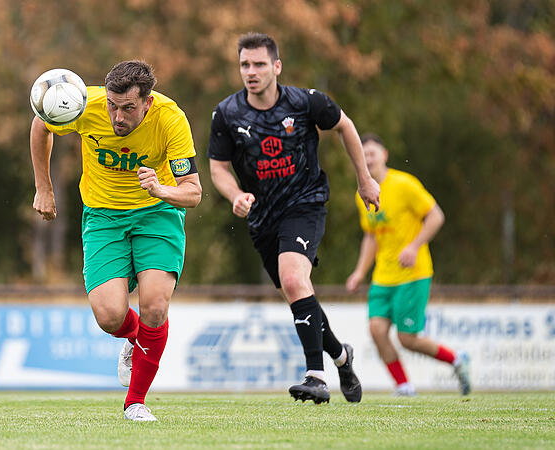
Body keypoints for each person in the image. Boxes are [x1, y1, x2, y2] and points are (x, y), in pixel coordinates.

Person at [207, 32, 380, 404]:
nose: (251, 72)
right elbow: (218, 167)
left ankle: (316, 375)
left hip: (305, 204)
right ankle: (342, 356)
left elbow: (345, 126)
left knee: (293, 278)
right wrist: (236, 194)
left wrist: (364, 178)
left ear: (277, 66)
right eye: (244, 65)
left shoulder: (305, 102)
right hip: (262, 217)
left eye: (259, 64)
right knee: (298, 291)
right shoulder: (227, 113)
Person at [30, 61, 202, 421]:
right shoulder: (84, 103)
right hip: (104, 218)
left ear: (147, 103)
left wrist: (160, 188)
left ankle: (135, 403)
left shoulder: (171, 119)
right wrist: (44, 188)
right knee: (110, 316)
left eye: (127, 108)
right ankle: (135, 338)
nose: (117, 117)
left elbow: (193, 193)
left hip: (157, 213)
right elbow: (41, 123)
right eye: (112, 105)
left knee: (155, 305)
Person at [345, 133, 471, 396]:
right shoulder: (363, 193)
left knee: (408, 339)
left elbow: (436, 216)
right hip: (383, 276)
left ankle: (456, 359)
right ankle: (404, 386)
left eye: (372, 153)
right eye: (363, 154)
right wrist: (359, 272)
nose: (368, 159)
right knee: (376, 330)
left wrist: (414, 246)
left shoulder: (404, 184)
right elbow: (371, 236)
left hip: (413, 274)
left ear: (385, 155)